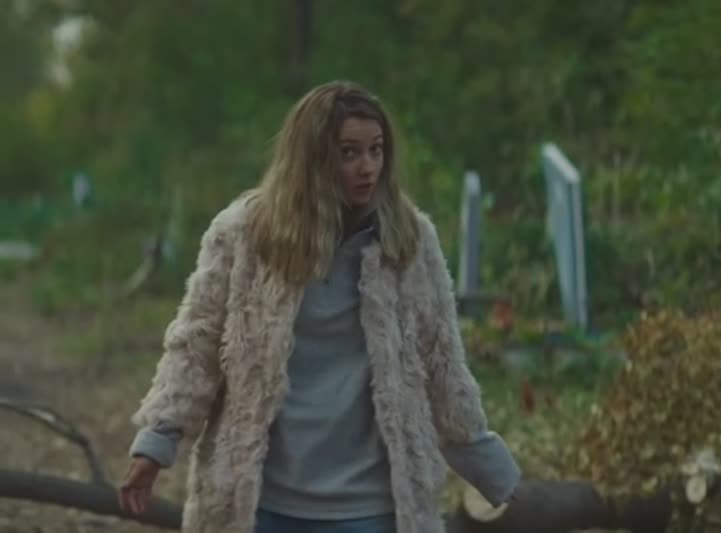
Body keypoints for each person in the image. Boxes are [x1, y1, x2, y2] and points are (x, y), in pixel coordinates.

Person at [116, 81, 521, 533]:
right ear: (311, 159)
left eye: (376, 150)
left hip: (371, 504)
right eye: (348, 153)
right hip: (261, 498)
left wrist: (488, 464)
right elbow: (196, 345)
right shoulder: (245, 235)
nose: (367, 167)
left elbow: (442, 360)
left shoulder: (408, 241)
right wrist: (157, 441)